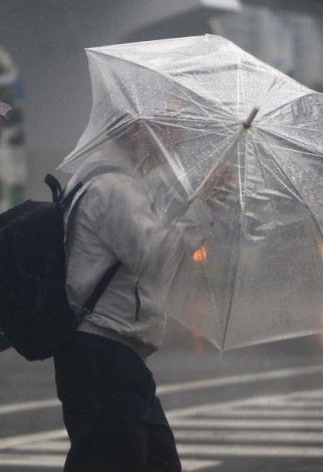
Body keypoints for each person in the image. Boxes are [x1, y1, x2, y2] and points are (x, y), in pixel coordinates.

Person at [55, 119, 232, 472]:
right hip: (105, 357)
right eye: (167, 127)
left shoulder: (102, 178)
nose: (177, 138)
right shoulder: (114, 188)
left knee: (156, 461)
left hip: (110, 356)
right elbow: (159, 260)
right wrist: (205, 205)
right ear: (137, 133)